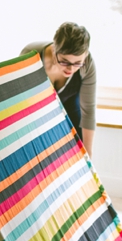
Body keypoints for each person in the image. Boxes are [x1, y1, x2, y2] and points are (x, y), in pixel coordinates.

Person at [21, 22, 97, 158]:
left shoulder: (88, 63)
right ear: (54, 49)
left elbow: (88, 111)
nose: (71, 69)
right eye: (65, 61)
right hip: (36, 108)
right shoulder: (30, 56)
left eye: (77, 63)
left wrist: (88, 153)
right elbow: (22, 105)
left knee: (78, 150)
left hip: (70, 101)